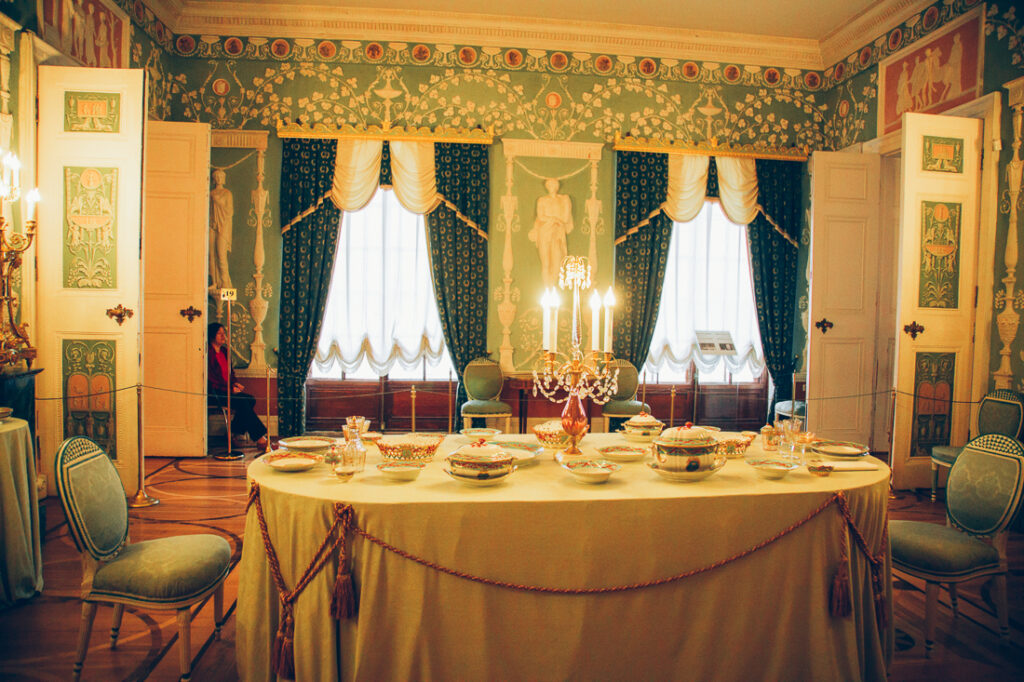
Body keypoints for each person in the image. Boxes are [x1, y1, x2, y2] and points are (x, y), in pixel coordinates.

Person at [208, 322, 267, 449]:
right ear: (212, 335)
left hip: (227, 390)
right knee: (243, 403)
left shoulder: (224, 351)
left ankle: (231, 434)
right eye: (220, 334)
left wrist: (235, 384)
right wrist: (230, 389)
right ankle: (260, 438)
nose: (223, 336)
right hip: (216, 393)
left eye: (224, 333)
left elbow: (230, 373)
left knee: (249, 399)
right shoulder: (209, 353)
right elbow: (211, 380)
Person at [529, 178, 574, 287]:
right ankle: (546, 290)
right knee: (546, 263)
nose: (552, 187)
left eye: (554, 185)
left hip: (558, 232)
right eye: (549, 185)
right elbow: (540, 216)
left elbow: (566, 217)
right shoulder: (542, 200)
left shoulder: (563, 199)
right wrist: (555, 219)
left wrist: (557, 220)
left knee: (558, 263)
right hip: (544, 232)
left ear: (557, 187)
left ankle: (552, 287)